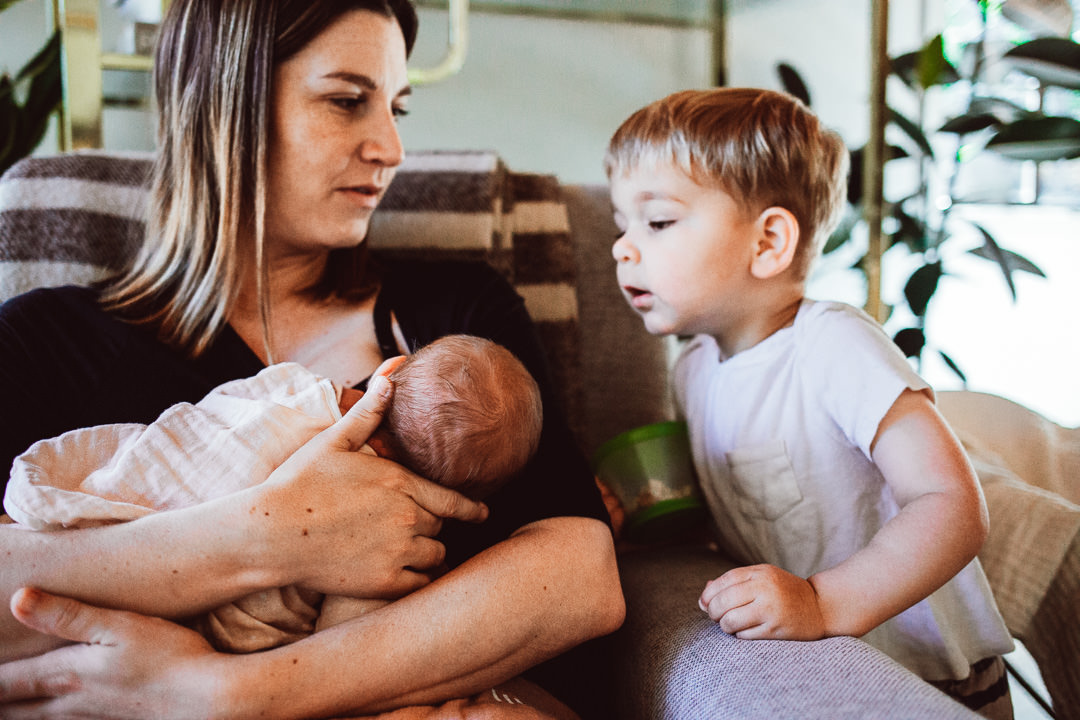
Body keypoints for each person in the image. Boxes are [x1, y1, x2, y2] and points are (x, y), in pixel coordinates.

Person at [0, 0, 623, 717]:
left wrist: (234, 695)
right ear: (223, 103)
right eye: (347, 101)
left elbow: (583, 574)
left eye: (397, 108)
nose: (390, 147)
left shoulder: (455, 321)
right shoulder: (44, 341)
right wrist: (262, 536)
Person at [605, 87, 1015, 719]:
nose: (622, 248)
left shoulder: (833, 344)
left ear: (769, 242)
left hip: (927, 672)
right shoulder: (692, 372)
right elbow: (739, 510)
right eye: (620, 225)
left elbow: (952, 504)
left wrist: (824, 601)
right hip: (827, 659)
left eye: (656, 221)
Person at [4, 334, 544, 654]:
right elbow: (340, 644)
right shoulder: (43, 333)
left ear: (389, 370)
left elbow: (220, 412)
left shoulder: (293, 388)